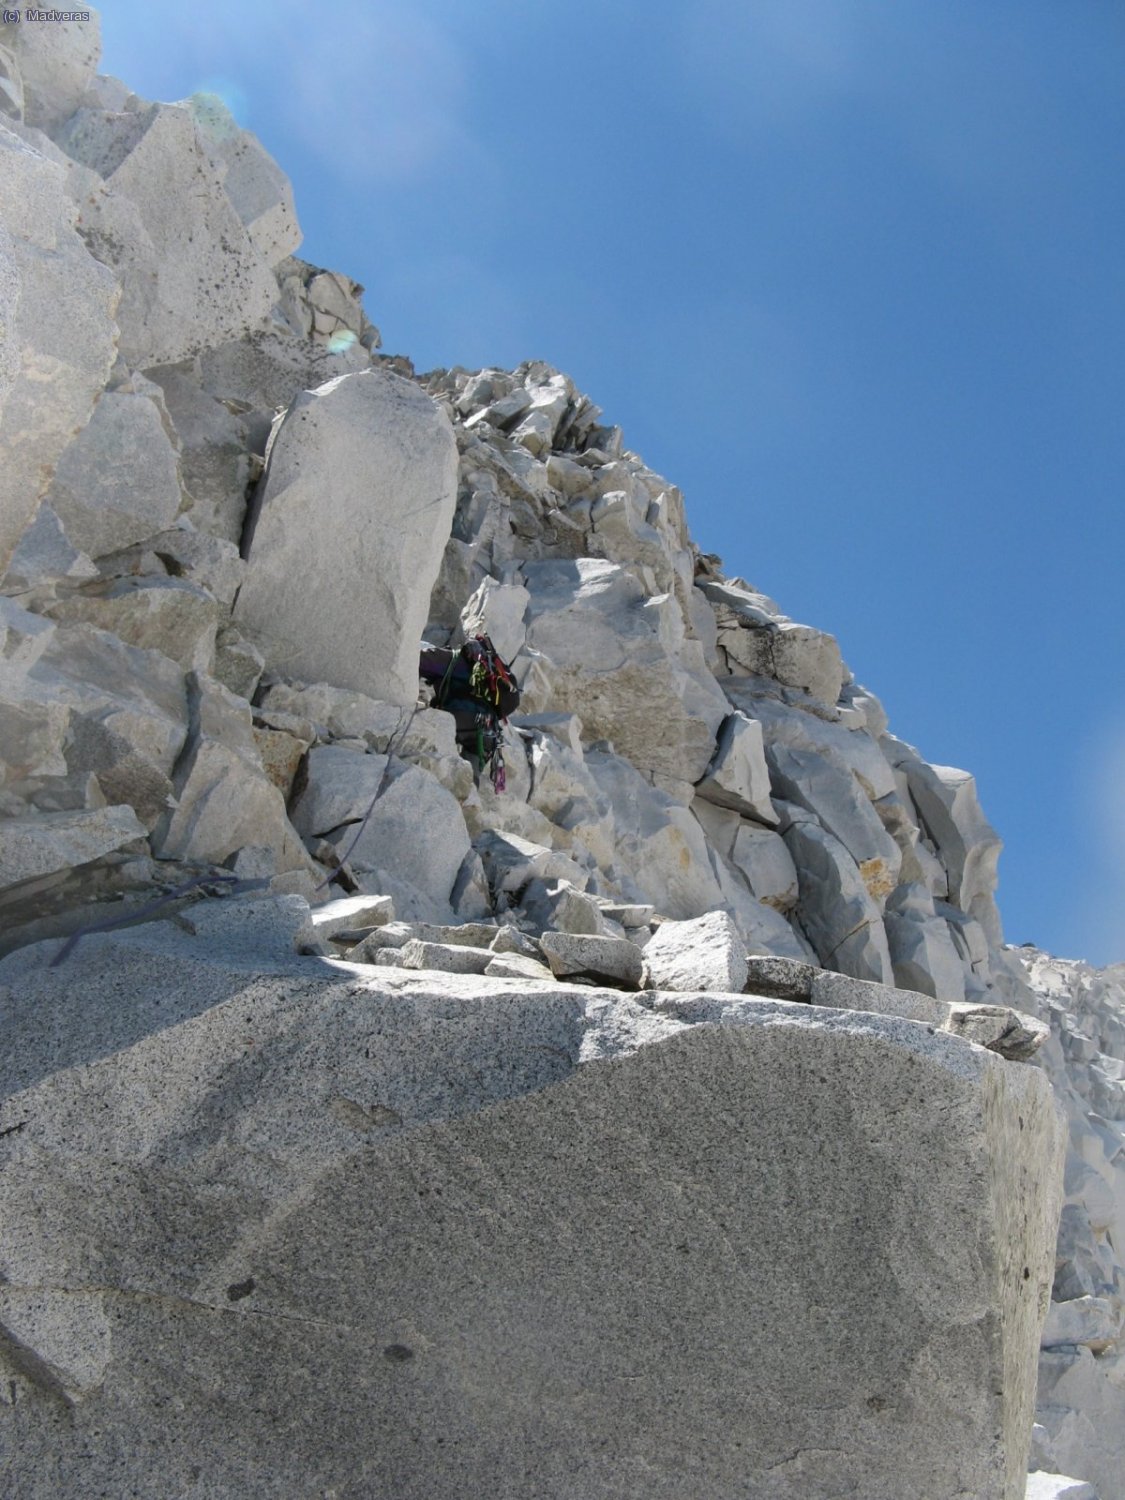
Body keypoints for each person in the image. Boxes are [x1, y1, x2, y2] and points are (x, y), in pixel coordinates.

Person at [419, 634, 520, 791]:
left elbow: (419, 659)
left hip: (458, 721)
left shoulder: (454, 659)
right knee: (469, 781)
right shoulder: (494, 670)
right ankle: (467, 800)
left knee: (433, 752)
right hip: (487, 734)